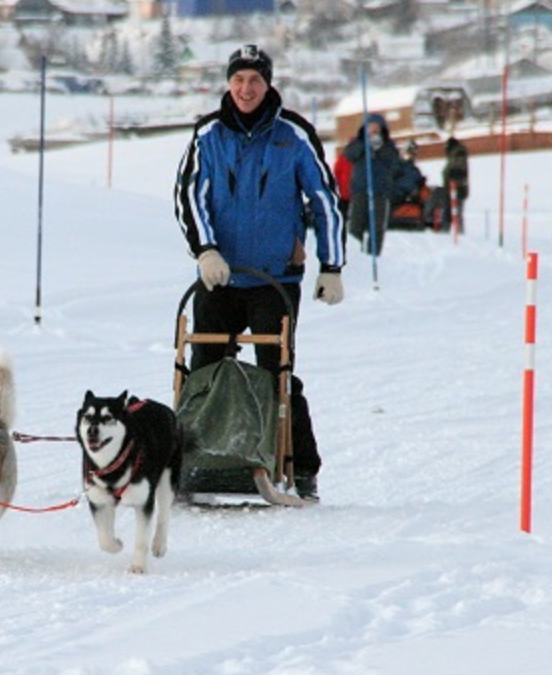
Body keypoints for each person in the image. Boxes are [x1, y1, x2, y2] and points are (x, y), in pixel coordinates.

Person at [173, 44, 346, 501]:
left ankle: (299, 466)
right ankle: (195, 463)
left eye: (255, 80)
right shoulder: (208, 134)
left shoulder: (293, 134)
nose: (246, 89)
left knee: (278, 373)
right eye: (238, 80)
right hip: (222, 277)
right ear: (228, 84)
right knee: (204, 372)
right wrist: (206, 251)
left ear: (268, 84)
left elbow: (325, 200)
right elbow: (190, 196)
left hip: (275, 279)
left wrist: (332, 265)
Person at [343, 113, 403, 256]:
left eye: (377, 127)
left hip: (380, 191)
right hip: (360, 190)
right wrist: (364, 145)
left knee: (377, 227)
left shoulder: (389, 146)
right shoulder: (357, 142)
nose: (374, 130)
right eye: (371, 127)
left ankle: (373, 255)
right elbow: (349, 154)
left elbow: (395, 164)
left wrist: (380, 148)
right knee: (356, 226)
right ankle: (354, 256)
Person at [441, 136, 470, 233]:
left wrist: (451, 176)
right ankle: (452, 233)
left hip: (457, 189)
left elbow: (458, 170)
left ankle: (459, 234)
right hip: (451, 189)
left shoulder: (458, 153)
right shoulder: (453, 156)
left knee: (457, 213)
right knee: (450, 213)